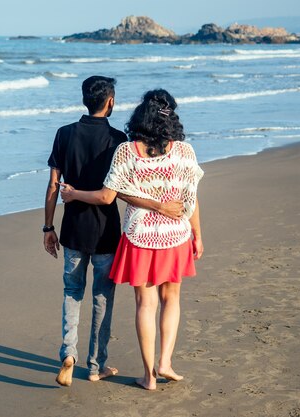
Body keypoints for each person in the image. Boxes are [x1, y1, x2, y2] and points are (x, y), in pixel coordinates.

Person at [60, 89, 204, 390]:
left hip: (140, 238)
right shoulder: (184, 152)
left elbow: (108, 193)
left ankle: (149, 376)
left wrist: (73, 195)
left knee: (145, 304)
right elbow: (191, 200)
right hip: (176, 236)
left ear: (142, 116)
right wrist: (197, 235)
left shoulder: (127, 152)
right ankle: (165, 362)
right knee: (172, 299)